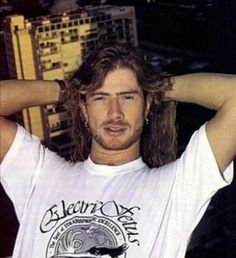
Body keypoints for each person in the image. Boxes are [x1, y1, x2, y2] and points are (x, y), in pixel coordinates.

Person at [0, 43, 235, 258]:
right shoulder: (40, 175)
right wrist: (68, 91)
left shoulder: (177, 188)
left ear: (147, 107)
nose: (115, 113)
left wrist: (156, 87)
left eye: (128, 97)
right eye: (100, 98)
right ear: (84, 109)